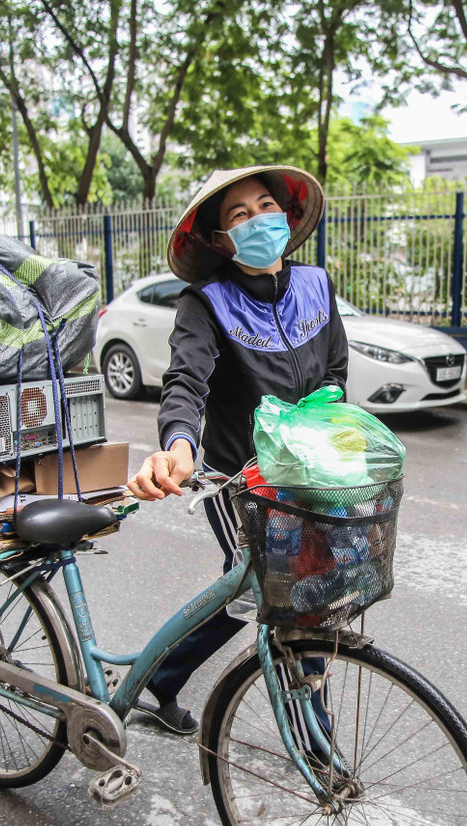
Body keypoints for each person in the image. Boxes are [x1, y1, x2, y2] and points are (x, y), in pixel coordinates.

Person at [125, 164, 346, 734]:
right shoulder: (206, 301)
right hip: (240, 480)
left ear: (287, 215)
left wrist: (328, 419)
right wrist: (178, 446)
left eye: (265, 206)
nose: (257, 220)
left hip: (311, 472)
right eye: (239, 215)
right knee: (281, 590)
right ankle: (315, 734)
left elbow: (336, 373)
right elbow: (186, 382)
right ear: (221, 239)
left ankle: (160, 678)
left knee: (264, 585)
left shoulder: (317, 285)